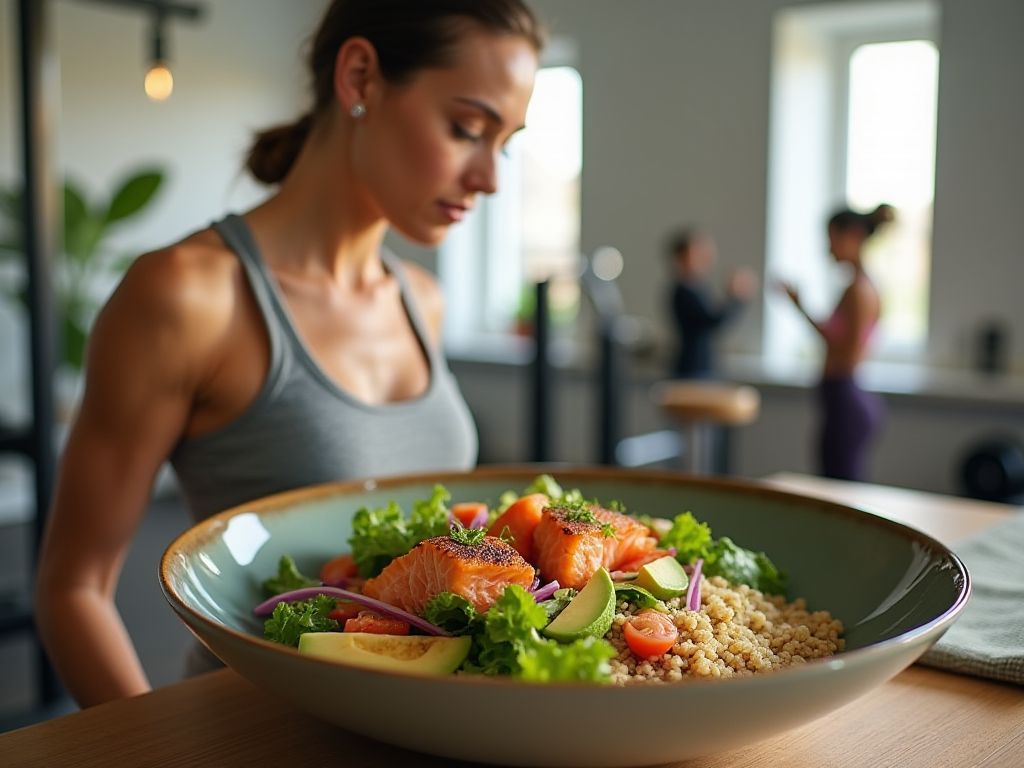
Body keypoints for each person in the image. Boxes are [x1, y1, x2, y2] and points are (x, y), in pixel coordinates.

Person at [34, 0, 544, 708]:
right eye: (466, 129)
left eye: (506, 143)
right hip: (256, 731)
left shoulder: (421, 299)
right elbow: (71, 589)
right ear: (361, 77)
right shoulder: (188, 297)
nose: (489, 176)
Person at [779, 203, 895, 481]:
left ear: (853, 236)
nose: (829, 250)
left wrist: (801, 308)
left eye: (832, 240)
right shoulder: (857, 287)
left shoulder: (859, 291)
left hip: (845, 399)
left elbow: (848, 354)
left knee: (841, 490)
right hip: (840, 398)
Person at [666, 228, 757, 380]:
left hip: (702, 366)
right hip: (693, 369)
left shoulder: (696, 288)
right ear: (682, 257)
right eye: (697, 252)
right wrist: (736, 298)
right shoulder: (683, 292)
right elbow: (712, 320)